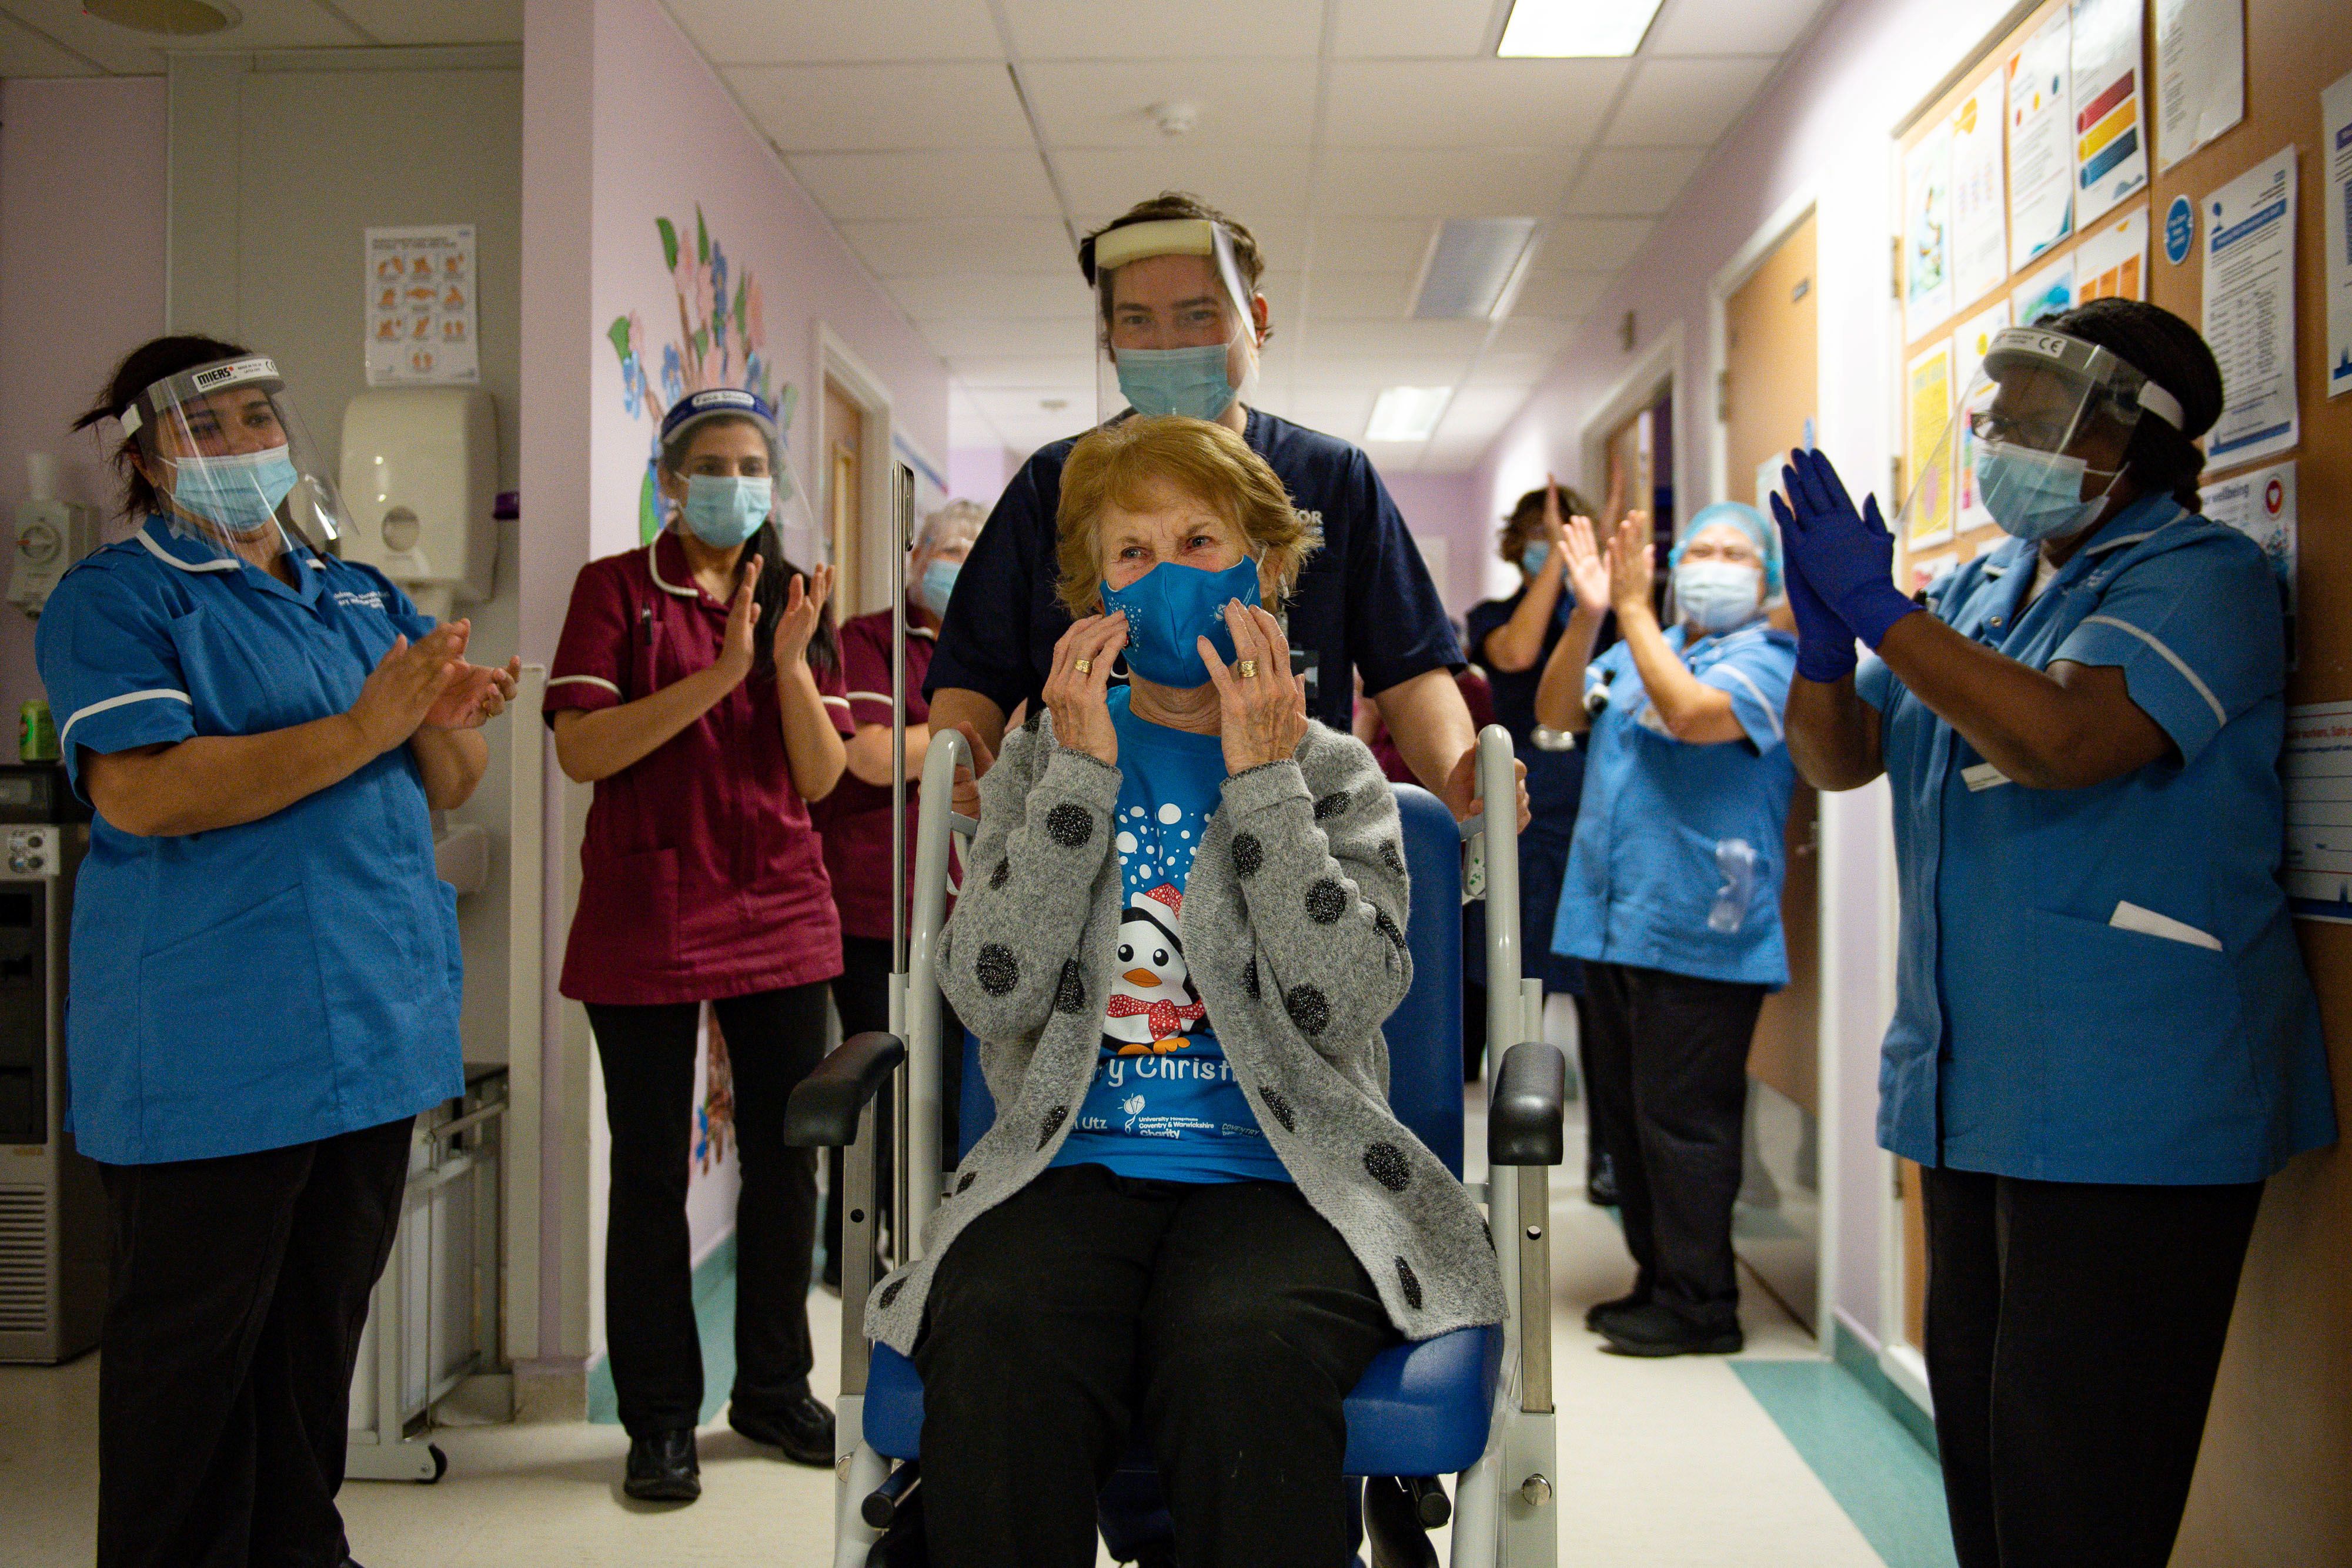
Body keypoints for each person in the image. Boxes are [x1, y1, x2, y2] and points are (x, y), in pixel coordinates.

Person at [866, 416, 1504, 1567]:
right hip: (1068, 1165)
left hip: (1285, 1171)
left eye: (1200, 540)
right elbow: (988, 994)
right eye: (1131, 553)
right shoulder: (1036, 758)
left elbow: (1345, 1001)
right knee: (1000, 1332)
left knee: (1242, 1343)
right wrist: (1071, 781)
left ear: (1263, 567)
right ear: (1088, 594)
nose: (1166, 575)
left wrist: (1263, 786)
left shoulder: (1335, 772)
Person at [1774, 299, 2334, 1568]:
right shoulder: (1979, 587)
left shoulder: (2198, 575)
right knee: (1983, 1451)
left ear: (2128, 437)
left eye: (2032, 410)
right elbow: (1840, 757)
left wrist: (1882, 614)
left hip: (2133, 1106)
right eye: (1995, 406)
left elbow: (2062, 741)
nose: (1994, 432)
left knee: (2079, 1484)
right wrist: (1823, 643)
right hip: (1976, 1095)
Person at [35, 336, 518, 1568]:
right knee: (190, 1368)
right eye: (219, 424)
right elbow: (141, 794)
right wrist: (369, 721)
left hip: (366, 1032)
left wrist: (440, 720)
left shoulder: (355, 591)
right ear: (147, 456)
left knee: (315, 1345)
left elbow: (448, 774)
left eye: (262, 416)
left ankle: (304, 1548)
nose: (252, 441)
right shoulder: (122, 596)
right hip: (213, 1052)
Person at [924, 190, 1525, 832]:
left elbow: (1409, 673)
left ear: (1254, 320)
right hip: (1090, 836)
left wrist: (1460, 776)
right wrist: (957, 781)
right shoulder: (1057, 483)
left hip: (1290, 822)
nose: (1166, 344)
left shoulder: (1331, 477)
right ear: (1108, 342)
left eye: (1196, 315)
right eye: (1135, 321)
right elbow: (974, 674)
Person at [544, 387, 849, 1502]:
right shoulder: (616, 591)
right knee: (648, 1174)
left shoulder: (792, 599)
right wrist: (719, 673)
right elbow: (583, 750)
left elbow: (819, 778)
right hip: (648, 912)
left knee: (786, 1161)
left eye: (752, 464)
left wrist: (785, 663)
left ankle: (771, 1387)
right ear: (672, 482)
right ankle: (659, 1418)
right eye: (712, 464)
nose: (736, 483)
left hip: (777, 903)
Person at [1534, 500, 1798, 1358]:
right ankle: (1658, 1278)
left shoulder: (1771, 660)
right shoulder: (1650, 645)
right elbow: (1559, 711)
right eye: (1703, 548)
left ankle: (1702, 1302)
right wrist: (1589, 615)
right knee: (1631, 1119)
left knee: (1686, 1123)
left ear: (1767, 580)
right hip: (1616, 924)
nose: (1715, 562)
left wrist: (1638, 610)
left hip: (1704, 927)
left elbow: (1690, 715)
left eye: (1737, 552)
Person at [814, 497, 983, 1289]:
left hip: (974, 907)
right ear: (915, 559)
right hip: (877, 903)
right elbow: (871, 757)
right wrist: (972, 738)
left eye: (973, 551)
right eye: (945, 549)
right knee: (877, 1084)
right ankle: (854, 1259)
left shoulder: (998, 642)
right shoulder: (870, 641)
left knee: (953, 1088)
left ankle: (939, 1250)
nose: (957, 563)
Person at [1468, 479, 1606, 1181]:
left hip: (1596, 809)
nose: (1545, 549)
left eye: (1560, 537)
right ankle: (1514, 1150)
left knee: (1600, 986)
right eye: (1535, 539)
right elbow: (1517, 656)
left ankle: (1610, 1155)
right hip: (1525, 809)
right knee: (1520, 975)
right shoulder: (1492, 616)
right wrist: (1557, 563)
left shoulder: (1603, 620)